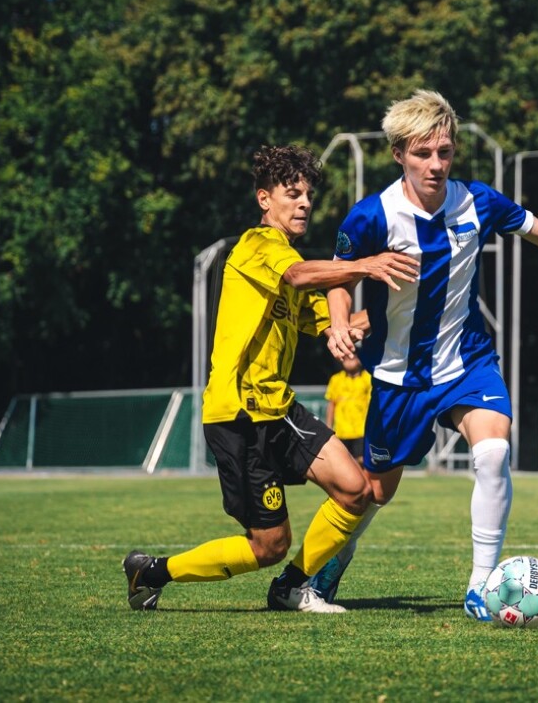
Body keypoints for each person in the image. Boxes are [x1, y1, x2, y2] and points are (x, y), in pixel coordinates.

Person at [302, 89, 538, 621]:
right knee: (375, 491)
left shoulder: (478, 202)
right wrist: (338, 322)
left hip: (467, 363)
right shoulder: (370, 215)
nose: (436, 164)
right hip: (398, 377)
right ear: (399, 153)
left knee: (493, 453)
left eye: (444, 152)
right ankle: (329, 563)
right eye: (423, 153)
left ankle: (481, 588)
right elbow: (340, 275)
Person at [123, 145, 419, 613]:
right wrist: (365, 264)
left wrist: (403, 316)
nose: (305, 203)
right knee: (268, 545)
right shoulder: (258, 246)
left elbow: (331, 324)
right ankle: (152, 571)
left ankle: (293, 587)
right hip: (237, 413)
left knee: (355, 489)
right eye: (292, 193)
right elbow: (300, 276)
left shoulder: (292, 260)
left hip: (278, 407)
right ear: (265, 199)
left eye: (309, 195)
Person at [325, 351, 371, 461]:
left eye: (352, 358)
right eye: (345, 358)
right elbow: (332, 405)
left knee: (361, 461)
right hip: (341, 431)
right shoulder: (336, 379)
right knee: (343, 461)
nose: (348, 361)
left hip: (361, 430)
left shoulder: (368, 378)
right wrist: (328, 426)